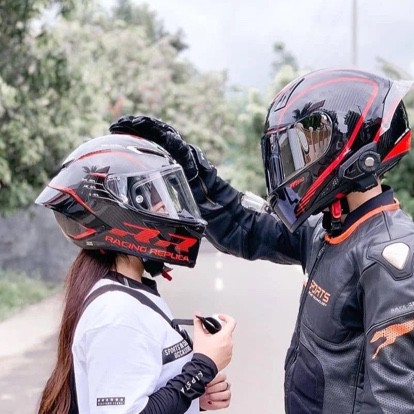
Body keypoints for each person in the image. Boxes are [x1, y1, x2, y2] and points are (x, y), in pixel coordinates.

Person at [109, 68, 414, 414]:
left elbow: (394, 403)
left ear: (349, 149)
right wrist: (195, 175)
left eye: (310, 148)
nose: (300, 163)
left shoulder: (388, 259)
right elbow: (244, 227)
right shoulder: (326, 229)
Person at [36, 133, 236, 414]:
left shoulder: (129, 292)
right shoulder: (117, 313)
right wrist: (202, 367)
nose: (167, 209)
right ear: (121, 213)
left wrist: (194, 398)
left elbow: (143, 390)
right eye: (154, 198)